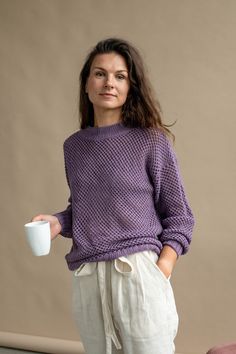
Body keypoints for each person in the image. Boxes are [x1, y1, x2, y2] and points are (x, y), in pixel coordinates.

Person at [32, 37, 195, 354]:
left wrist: (161, 269)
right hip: (89, 280)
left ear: (131, 86)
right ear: (86, 84)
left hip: (137, 275)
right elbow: (88, 206)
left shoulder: (151, 141)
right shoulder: (74, 147)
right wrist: (58, 221)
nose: (109, 83)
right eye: (100, 73)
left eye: (120, 76)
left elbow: (180, 216)